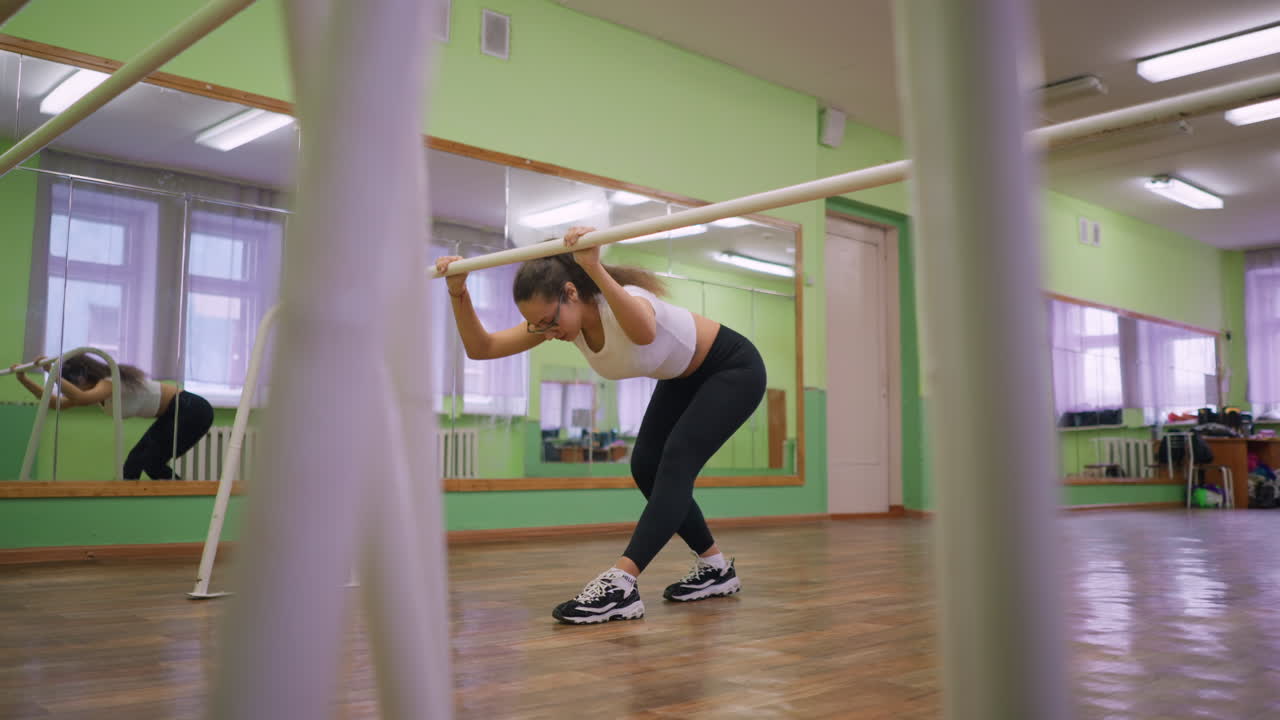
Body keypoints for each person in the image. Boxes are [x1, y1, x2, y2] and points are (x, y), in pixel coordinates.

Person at [436, 226, 767, 624]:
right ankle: (716, 569)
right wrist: (458, 293)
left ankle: (621, 584)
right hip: (683, 377)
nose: (546, 332)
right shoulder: (560, 323)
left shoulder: (624, 303)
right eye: (537, 325)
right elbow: (482, 347)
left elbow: (643, 334)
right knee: (645, 465)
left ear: (571, 293)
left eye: (547, 321)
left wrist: (592, 266)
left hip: (732, 368)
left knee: (676, 462)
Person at [10, 355, 214, 481]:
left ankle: (171, 498)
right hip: (178, 412)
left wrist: (52, 372)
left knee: (145, 462)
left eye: (71, 383)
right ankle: (143, 504)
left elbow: (79, 396)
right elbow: (55, 404)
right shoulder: (97, 392)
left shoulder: (109, 383)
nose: (70, 389)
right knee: (142, 464)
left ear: (85, 378)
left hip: (191, 409)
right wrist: (23, 379)